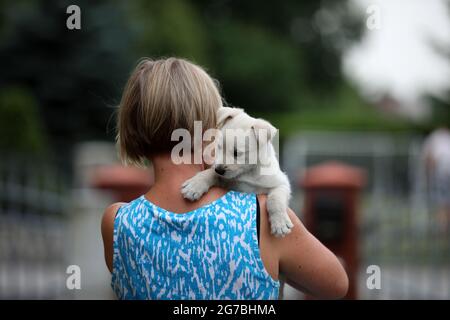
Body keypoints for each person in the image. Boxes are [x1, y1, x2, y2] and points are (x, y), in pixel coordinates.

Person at [101, 57, 348, 300]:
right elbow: (336, 284)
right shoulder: (259, 216)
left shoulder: (117, 223)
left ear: (132, 127)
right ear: (211, 125)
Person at [423, 126, 450, 233]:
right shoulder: (436, 138)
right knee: (442, 202)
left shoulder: (437, 138)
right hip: (441, 175)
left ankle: (444, 227)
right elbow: (429, 159)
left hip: (443, 175)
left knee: (443, 202)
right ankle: (443, 228)